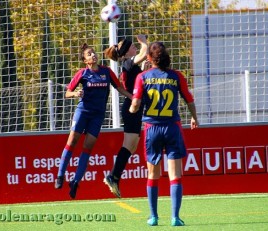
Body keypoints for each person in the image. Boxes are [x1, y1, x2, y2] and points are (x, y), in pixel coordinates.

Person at [129, 42, 199, 226]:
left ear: (149, 58)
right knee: (175, 174)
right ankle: (175, 217)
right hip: (172, 128)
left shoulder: (143, 76)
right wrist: (194, 118)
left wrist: (131, 108)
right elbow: (189, 99)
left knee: (153, 174)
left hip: (152, 129)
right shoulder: (176, 76)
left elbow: (135, 105)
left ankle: (153, 217)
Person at [55, 43, 132, 199]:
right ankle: (60, 175)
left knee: (87, 147)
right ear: (85, 61)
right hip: (82, 112)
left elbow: (119, 88)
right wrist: (75, 94)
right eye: (89, 54)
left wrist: (133, 97)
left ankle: (75, 181)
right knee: (72, 141)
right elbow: (67, 93)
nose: (93, 55)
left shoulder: (106, 72)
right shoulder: (82, 73)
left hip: (97, 116)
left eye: (93, 53)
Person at [103, 35, 148, 198]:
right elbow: (144, 53)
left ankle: (115, 177)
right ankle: (112, 176)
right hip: (130, 109)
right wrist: (144, 43)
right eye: (132, 46)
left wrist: (144, 66)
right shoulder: (128, 62)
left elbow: (137, 79)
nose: (135, 47)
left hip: (134, 108)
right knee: (128, 145)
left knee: (132, 146)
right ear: (127, 52)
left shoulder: (130, 65)